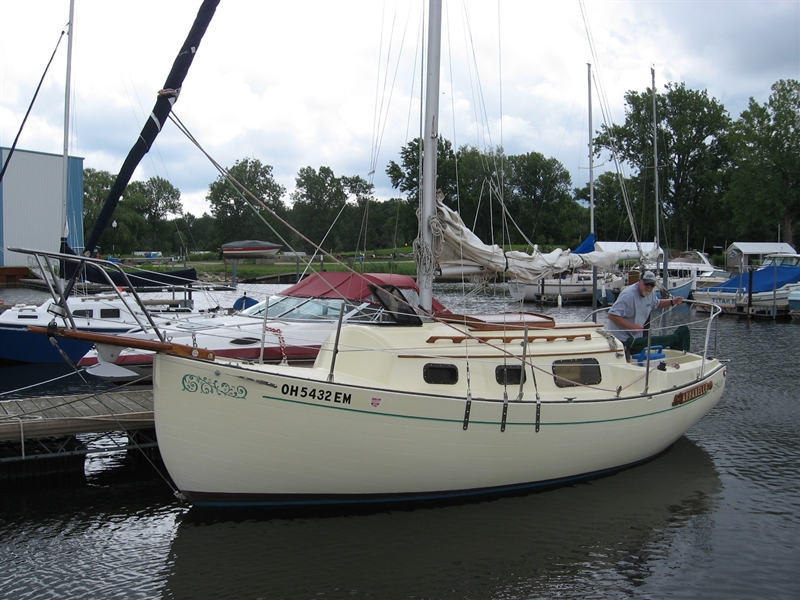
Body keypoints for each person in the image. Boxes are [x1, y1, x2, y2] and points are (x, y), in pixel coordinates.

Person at [606, 270, 684, 345]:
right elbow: (612, 316)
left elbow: (656, 303)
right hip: (620, 337)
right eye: (646, 284)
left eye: (652, 285)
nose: (649, 287)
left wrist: (672, 302)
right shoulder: (627, 295)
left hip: (636, 336)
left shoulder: (651, 292)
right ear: (639, 281)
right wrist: (632, 327)